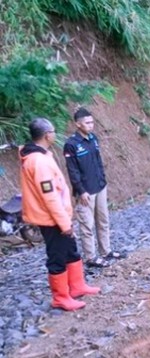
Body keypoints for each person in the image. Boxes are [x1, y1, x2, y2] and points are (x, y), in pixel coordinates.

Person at [20, 118, 100, 312]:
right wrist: (64, 224)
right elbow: (50, 197)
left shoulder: (42, 155)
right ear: (48, 135)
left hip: (58, 216)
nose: (55, 134)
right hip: (51, 219)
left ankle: (77, 285)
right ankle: (60, 297)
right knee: (57, 256)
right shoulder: (38, 161)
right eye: (54, 131)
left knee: (71, 250)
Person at [64, 107, 126, 268]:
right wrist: (81, 190)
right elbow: (72, 171)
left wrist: (103, 181)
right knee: (87, 224)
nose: (91, 125)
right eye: (87, 123)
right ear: (78, 124)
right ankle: (91, 257)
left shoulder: (93, 139)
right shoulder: (71, 144)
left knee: (103, 220)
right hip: (85, 191)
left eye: (92, 122)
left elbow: (98, 162)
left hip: (99, 186)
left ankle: (106, 251)